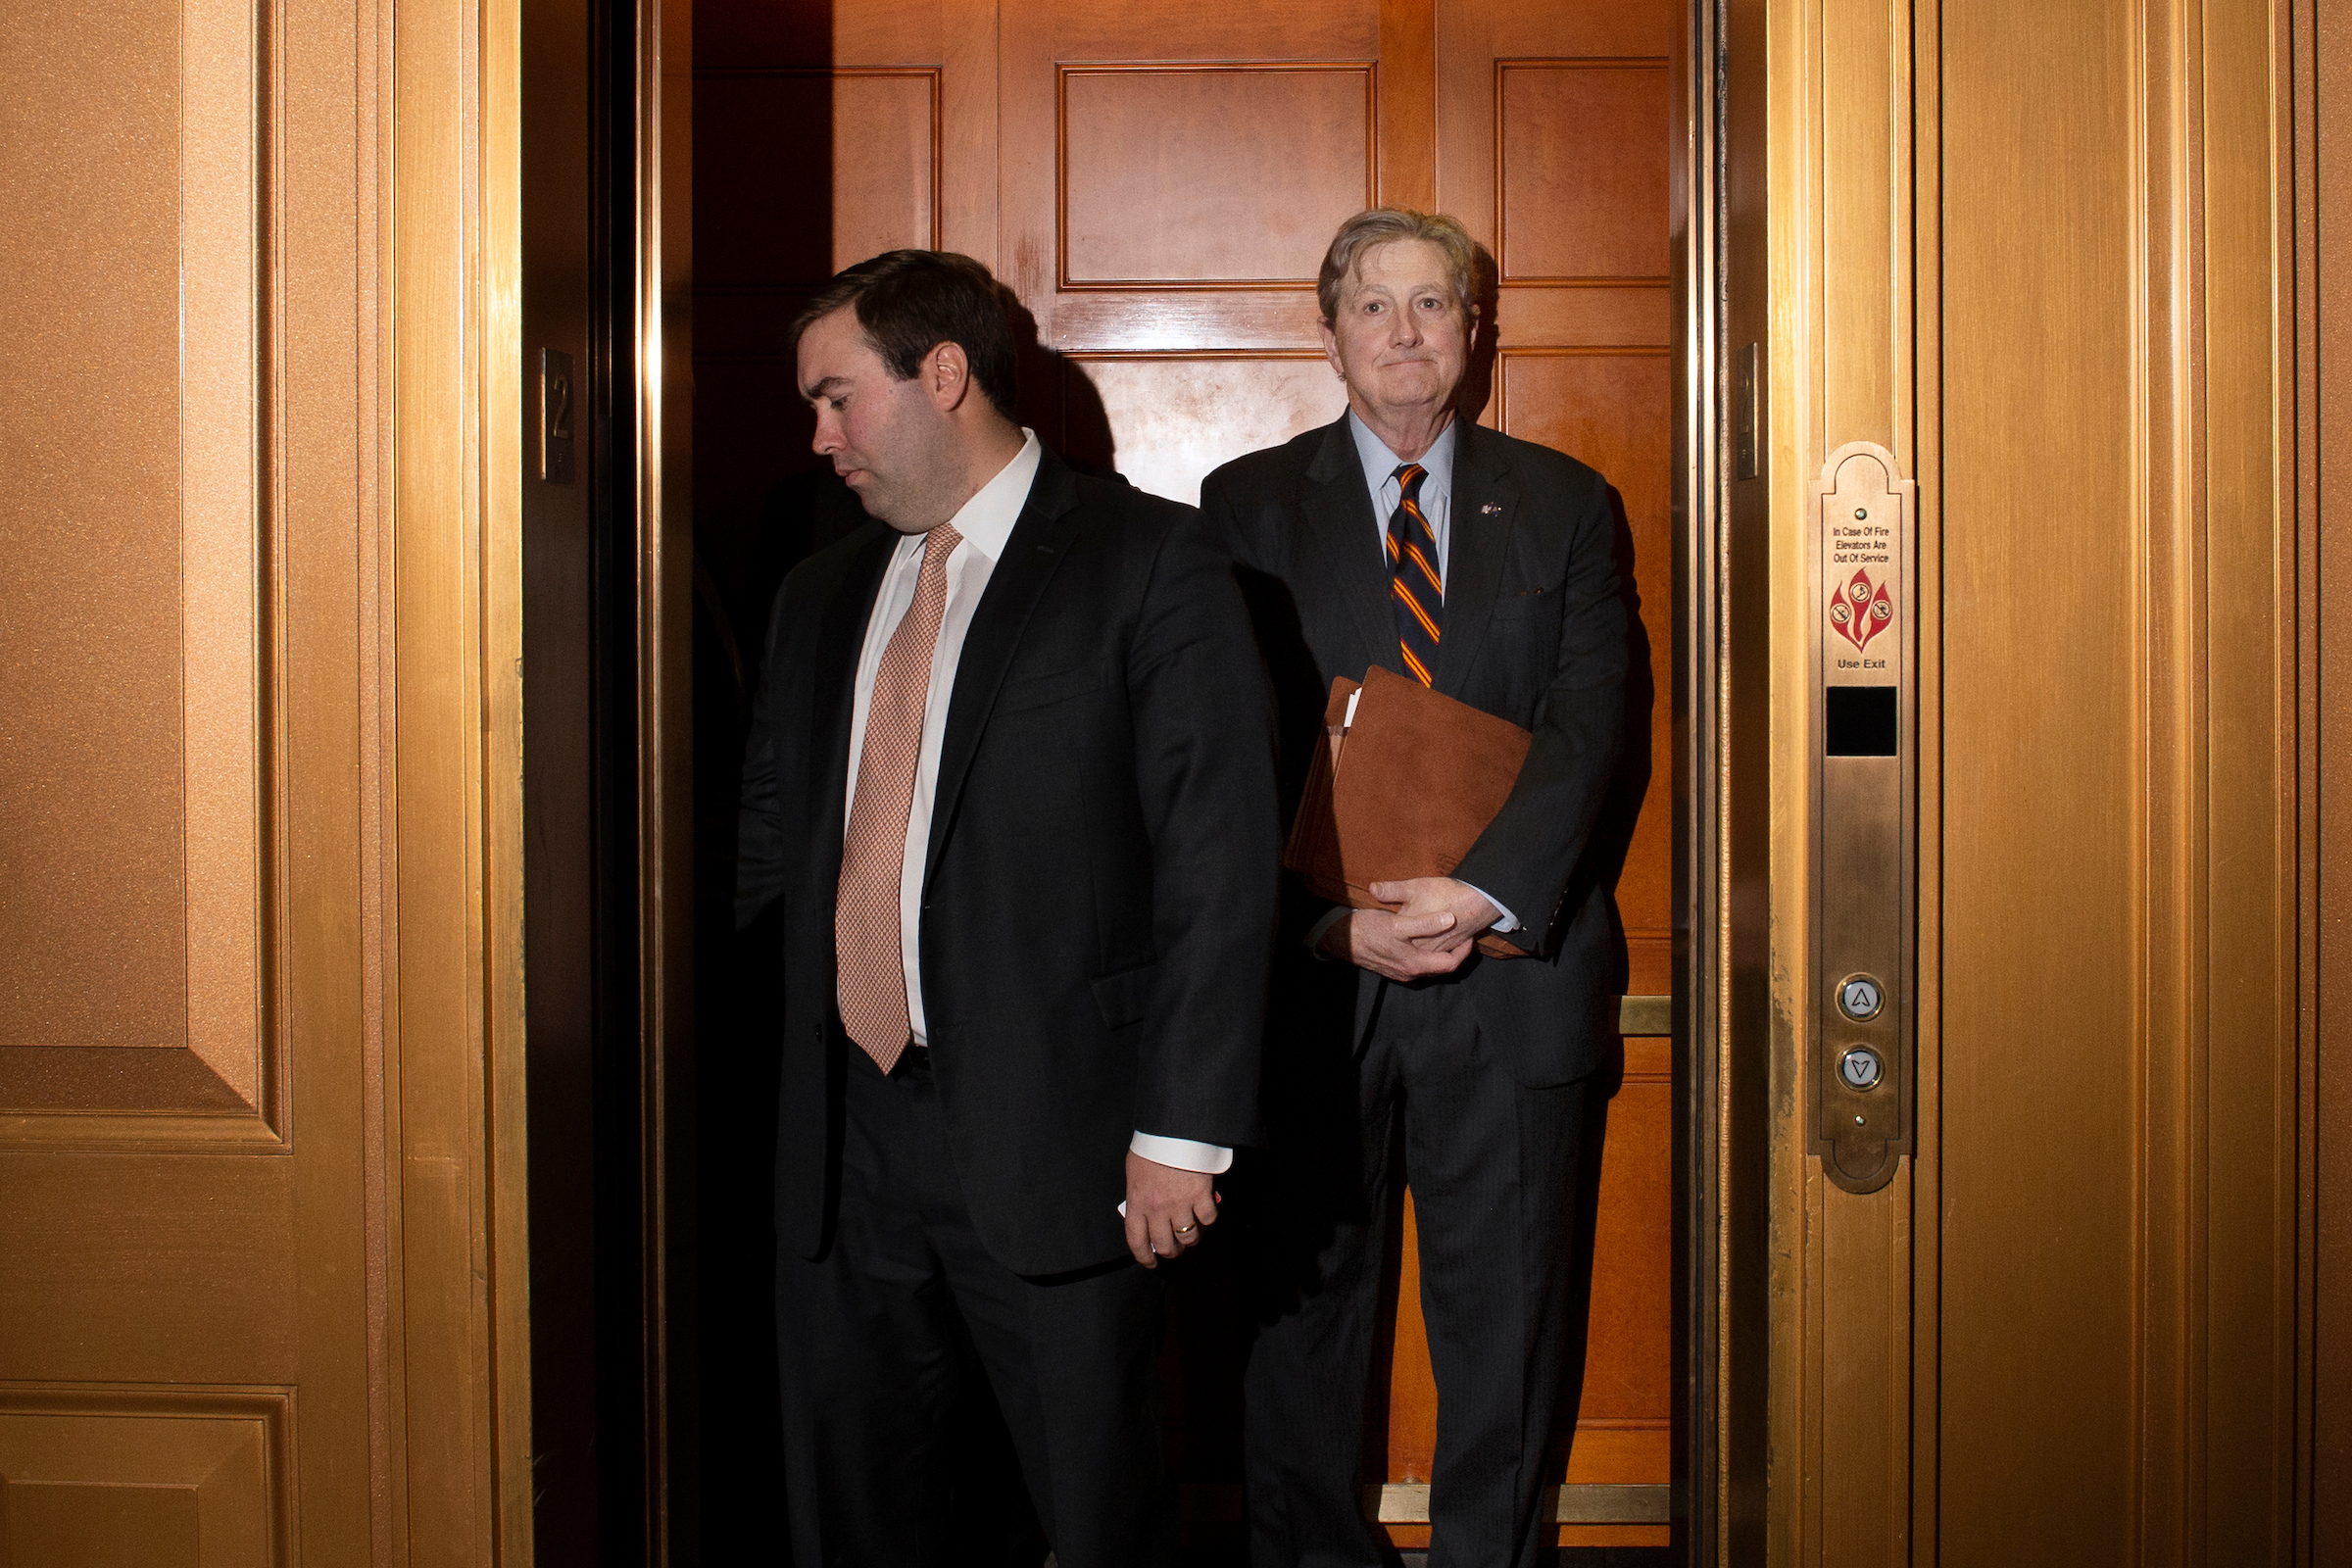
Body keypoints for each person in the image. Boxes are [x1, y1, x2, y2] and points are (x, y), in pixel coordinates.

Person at [735, 248, 1280, 1566]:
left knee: (1097, 1523)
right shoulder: (817, 594)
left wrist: (1183, 1135)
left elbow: (1220, 863)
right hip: (846, 1152)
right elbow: (771, 849)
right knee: (858, 1515)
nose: (818, 438)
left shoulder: (1150, 561)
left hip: (1066, 1145)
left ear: (941, 373)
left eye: (836, 397)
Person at [1200, 209, 1630, 1568]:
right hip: (1319, 989)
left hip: (1512, 983)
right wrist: (1333, 922)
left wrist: (1484, 894)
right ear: (1330, 333)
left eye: (1432, 304)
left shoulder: (1564, 504)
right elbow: (1230, 756)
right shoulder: (1244, 506)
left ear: (1472, 332)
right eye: (1373, 306)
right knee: (1302, 1335)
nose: (1404, 331)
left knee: (1505, 1335)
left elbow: (1592, 729)